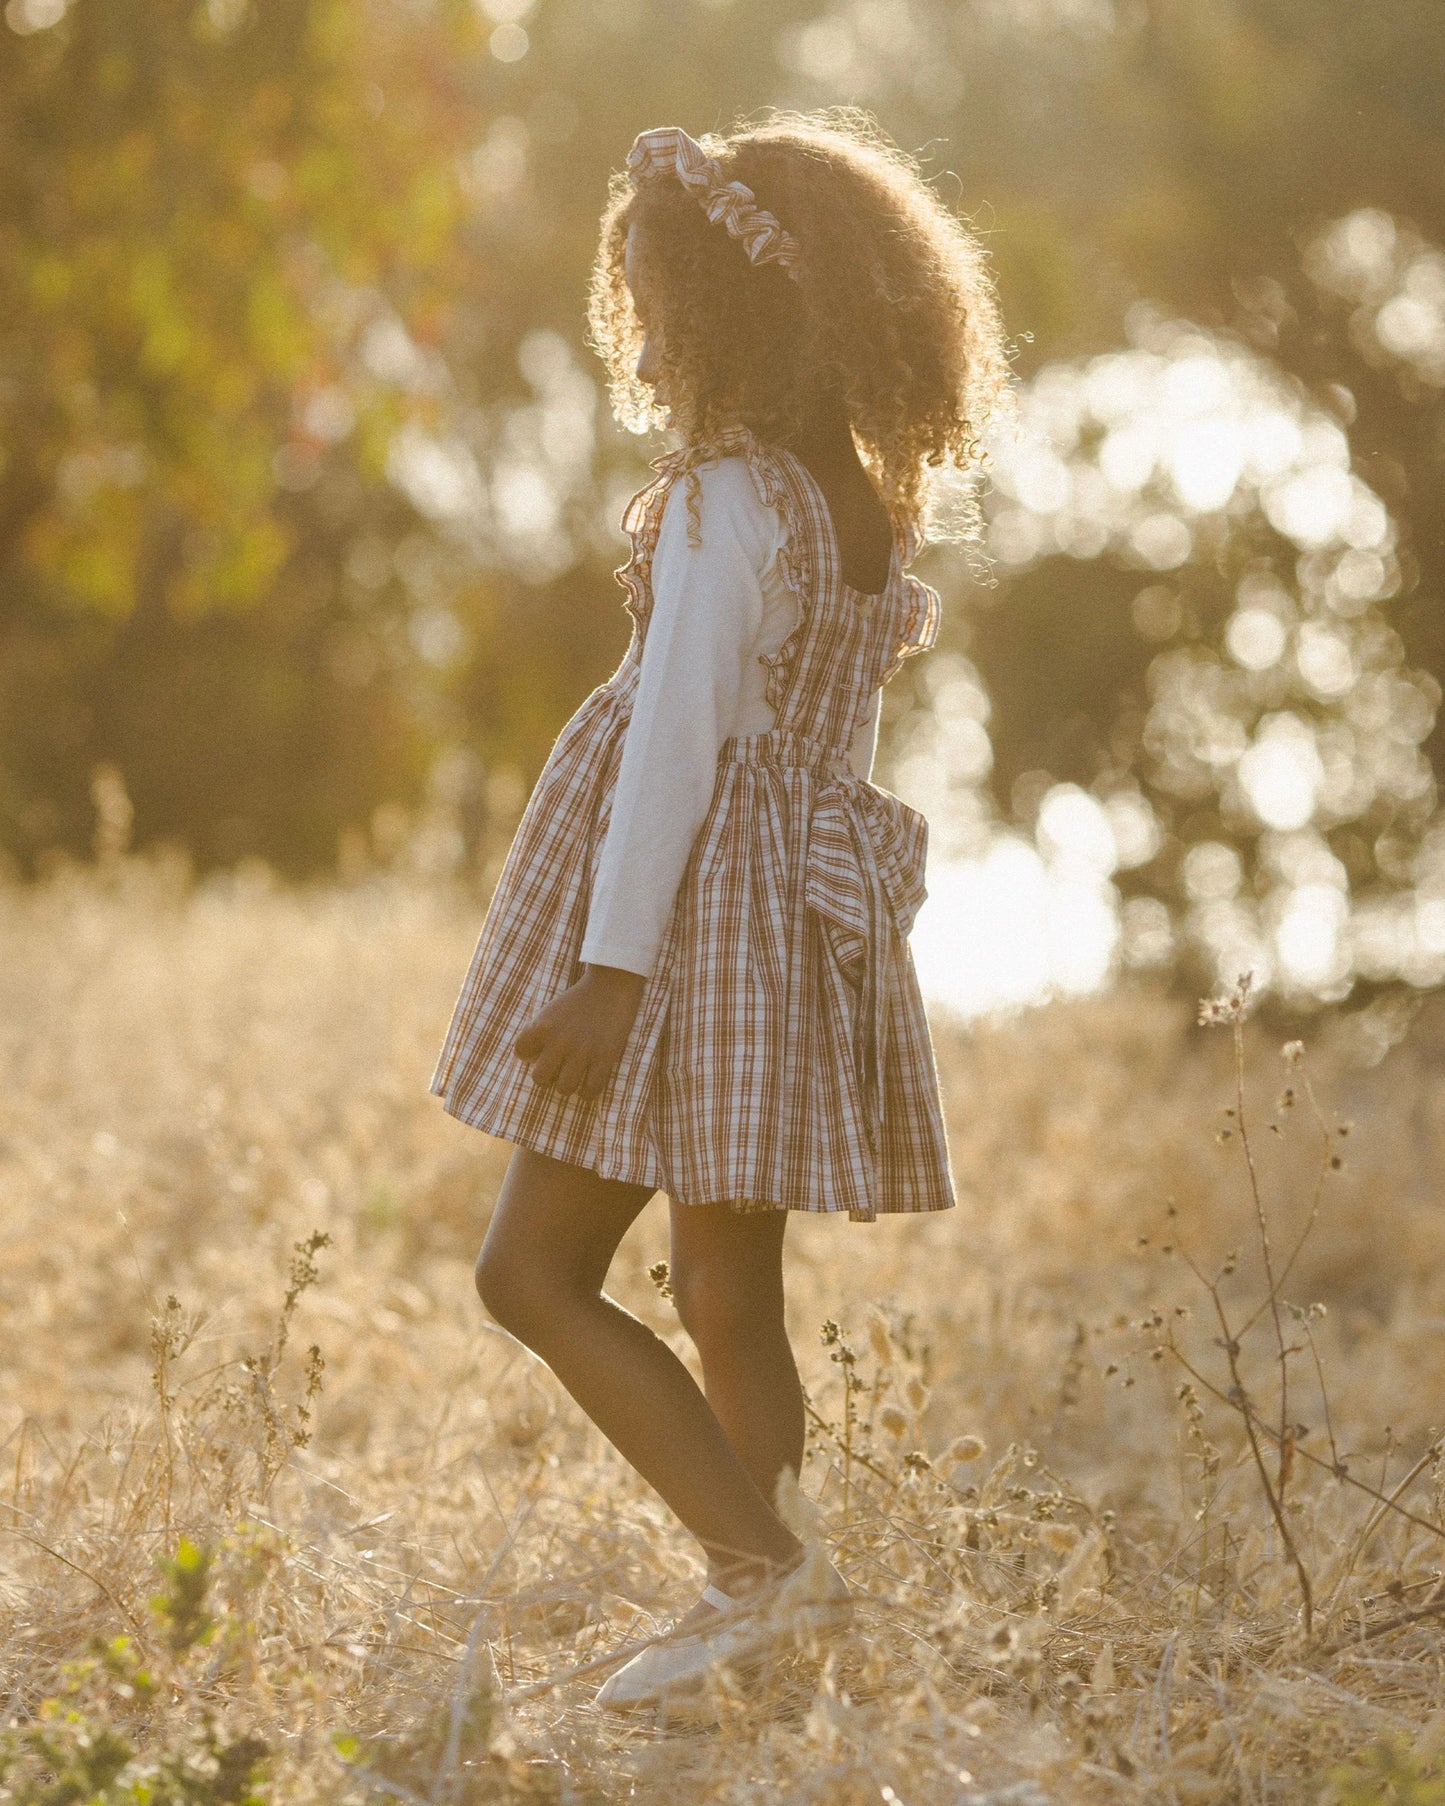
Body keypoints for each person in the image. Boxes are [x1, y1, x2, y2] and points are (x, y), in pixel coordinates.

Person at [430, 113, 1012, 1708]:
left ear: (718, 317)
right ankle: (767, 1619)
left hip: (673, 919)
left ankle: (760, 1575)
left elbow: (677, 738)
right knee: (725, 1295)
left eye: (655, 302)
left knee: (525, 1276)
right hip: (777, 917)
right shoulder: (860, 507)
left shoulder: (722, 501)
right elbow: (833, 755)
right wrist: (836, 922)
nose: (650, 337)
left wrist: (614, 972)